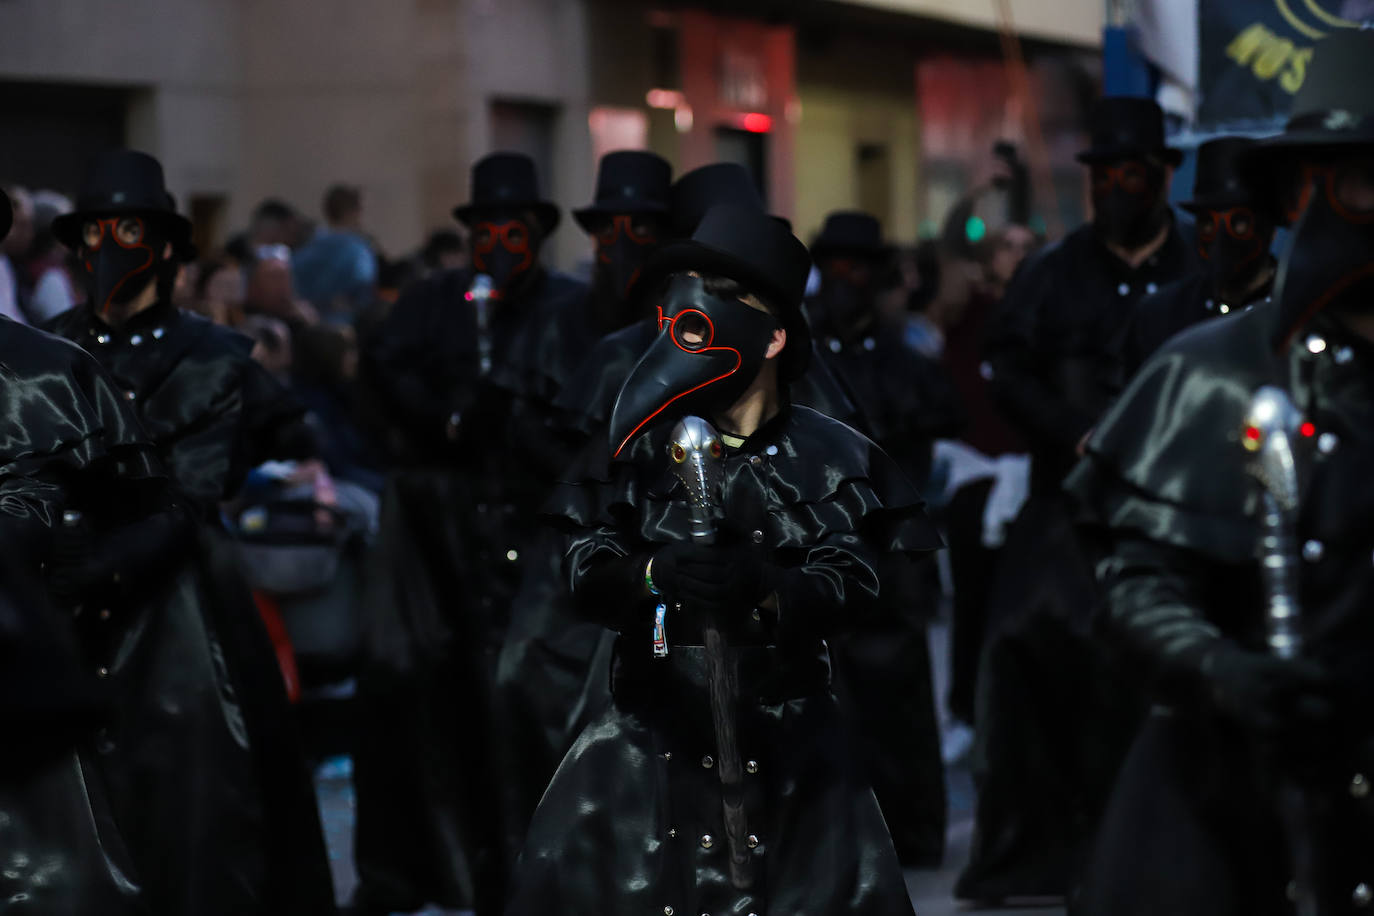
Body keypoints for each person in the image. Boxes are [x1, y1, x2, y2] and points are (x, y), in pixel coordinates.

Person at [508, 203, 936, 915]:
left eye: (726, 294)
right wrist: (653, 576)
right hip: (646, 754)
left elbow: (852, 582)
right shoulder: (638, 448)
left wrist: (765, 593)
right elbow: (586, 565)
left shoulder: (830, 457)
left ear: (771, 338)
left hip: (792, 762)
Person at [1068, 29, 1374, 915]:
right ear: (1303, 192)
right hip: (1231, 800)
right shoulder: (1207, 374)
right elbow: (1137, 586)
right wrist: (1224, 672)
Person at [44, 149, 336, 914]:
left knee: (200, 800)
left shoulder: (215, 359)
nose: (110, 247)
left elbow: (209, 481)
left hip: (185, 614)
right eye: (96, 231)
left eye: (129, 230)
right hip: (60, 601)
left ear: (168, 246)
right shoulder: (47, 350)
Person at [958, 96, 1200, 903]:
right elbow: (1008, 367)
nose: (1118, 190)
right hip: (1067, 503)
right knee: (1022, 640)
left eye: (1134, 174)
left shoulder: (1197, 266)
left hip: (1175, 505)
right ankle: (1036, 851)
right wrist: (1073, 432)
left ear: (1162, 177)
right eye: (1104, 177)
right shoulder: (1052, 274)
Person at [352, 150, 588, 916]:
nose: (500, 242)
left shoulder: (567, 310)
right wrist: (449, 421)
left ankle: (531, 859)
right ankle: (446, 863)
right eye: (488, 228)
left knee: (527, 697)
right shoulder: (432, 303)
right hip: (442, 537)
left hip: (534, 533)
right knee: (430, 693)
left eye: (512, 228)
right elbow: (386, 380)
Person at [805, 209, 960, 866]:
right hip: (814, 544)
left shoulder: (907, 363)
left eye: (858, 265)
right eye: (836, 264)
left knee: (896, 694)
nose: (847, 278)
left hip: (888, 557)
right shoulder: (800, 360)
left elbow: (922, 454)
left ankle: (911, 828)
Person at [1120, 136, 1277, 376]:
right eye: (1207, 224)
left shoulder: (1299, 314)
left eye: (1240, 223)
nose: (1221, 238)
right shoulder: (1160, 316)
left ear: (1270, 227)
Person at [292, 183, 379, 318]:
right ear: (353, 212)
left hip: (309, 322)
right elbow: (363, 284)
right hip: (347, 322)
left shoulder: (310, 244)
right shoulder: (358, 250)